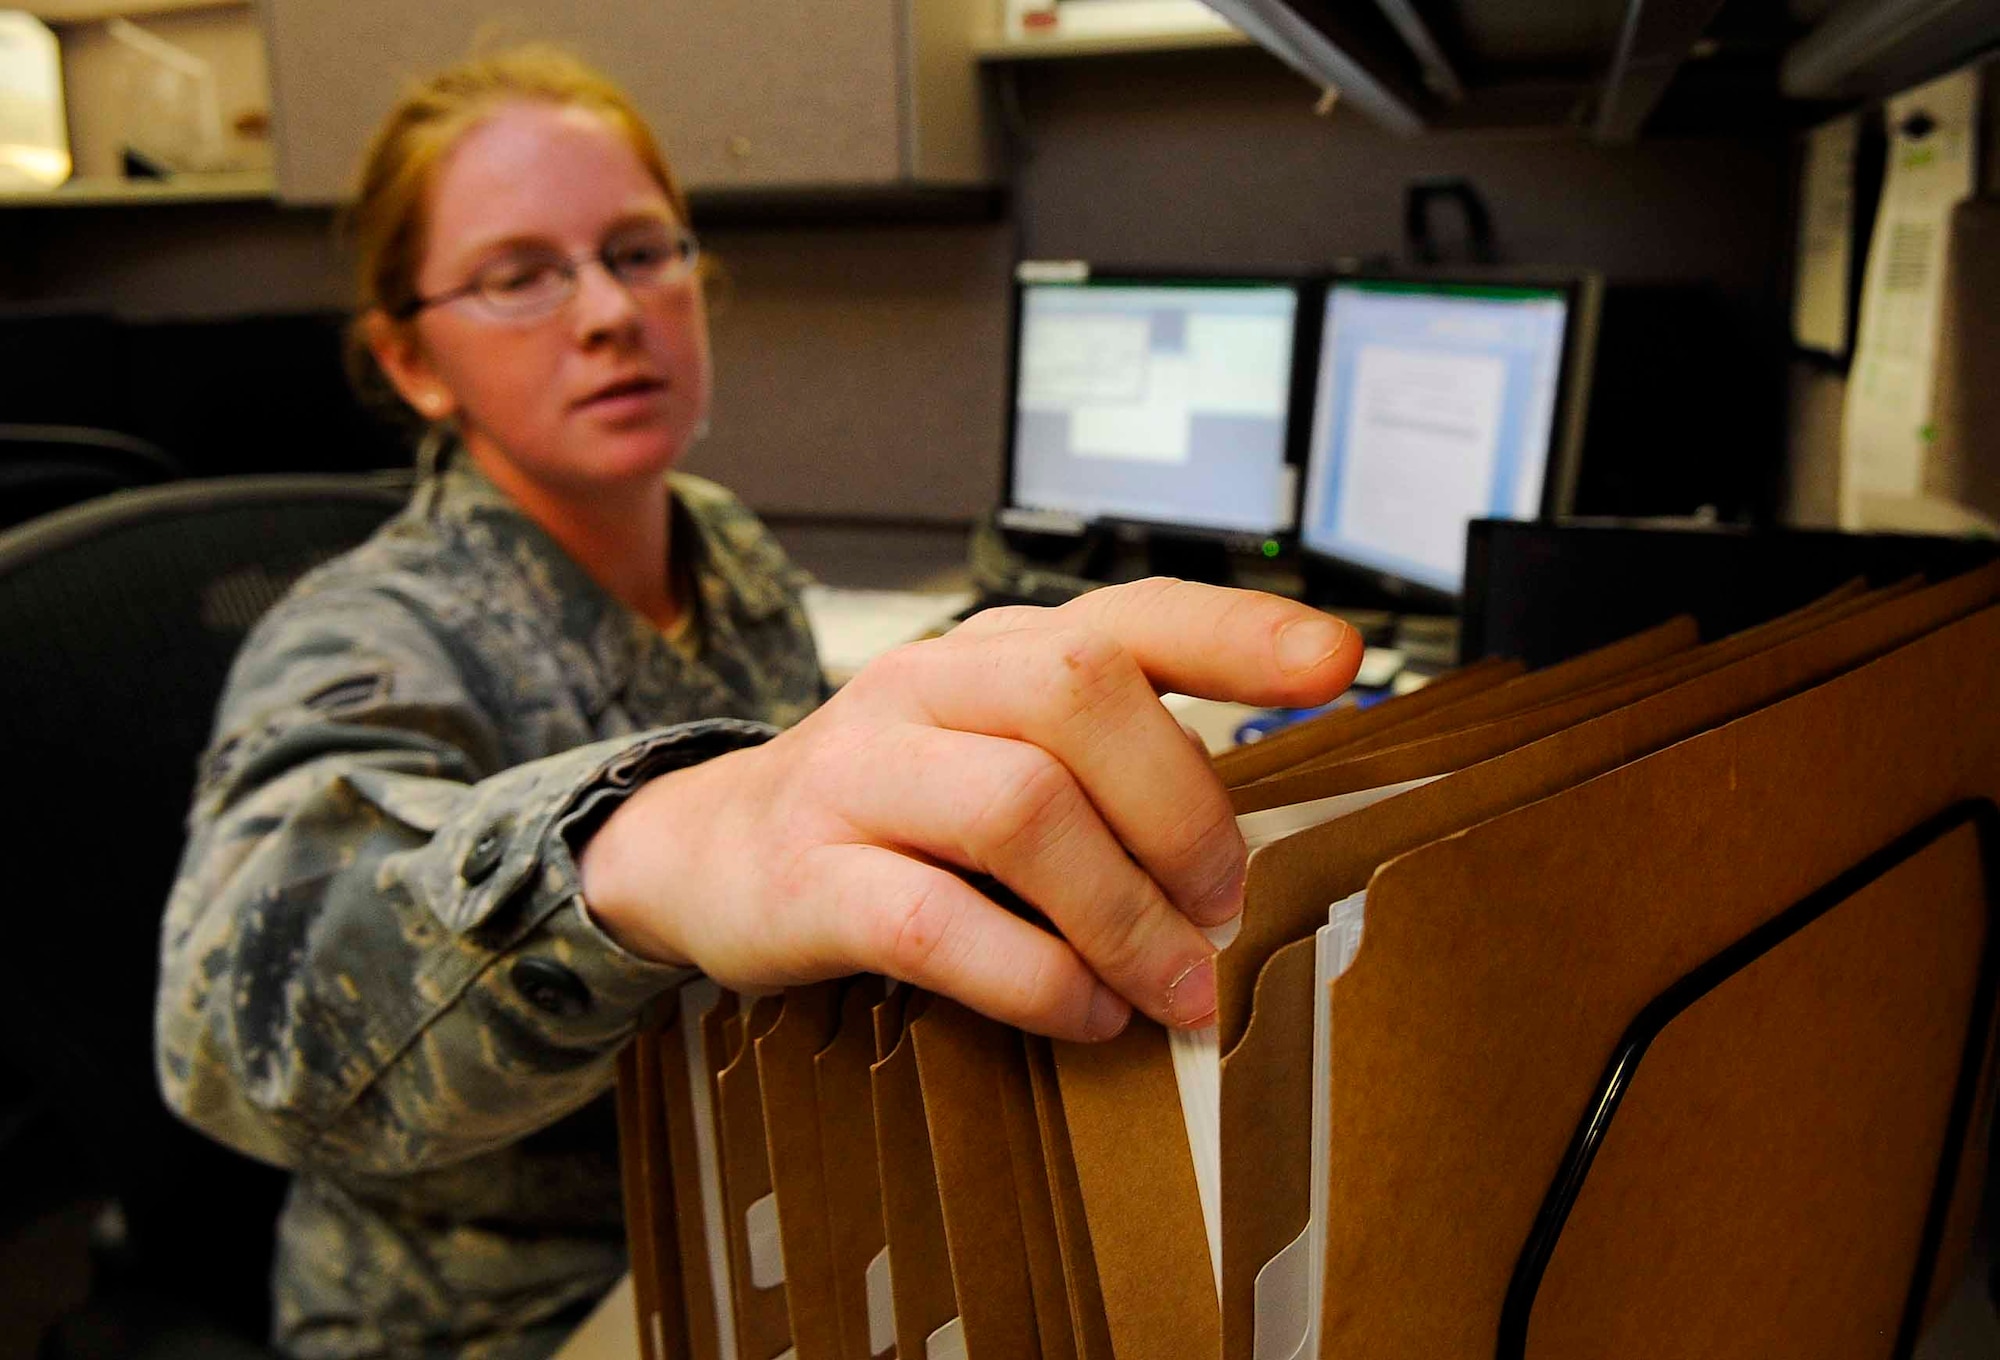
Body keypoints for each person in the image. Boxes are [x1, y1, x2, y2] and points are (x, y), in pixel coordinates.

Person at [156, 45, 1362, 1360]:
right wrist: (644, 848)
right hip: (519, 1309)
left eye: (638, 250)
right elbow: (228, 1025)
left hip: (764, 1216)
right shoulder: (365, 628)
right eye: (520, 278)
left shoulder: (721, 546)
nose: (610, 312)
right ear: (413, 362)